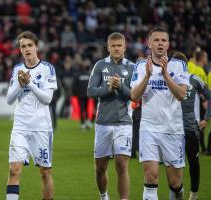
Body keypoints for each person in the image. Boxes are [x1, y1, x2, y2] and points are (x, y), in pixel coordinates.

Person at [130, 27, 189, 200]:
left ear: (168, 44)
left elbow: (181, 94)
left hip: (173, 129)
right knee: (151, 177)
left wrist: (165, 75)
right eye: (156, 40)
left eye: (163, 40)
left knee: (175, 183)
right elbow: (134, 96)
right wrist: (147, 77)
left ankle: (177, 192)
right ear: (149, 44)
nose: (160, 43)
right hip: (149, 128)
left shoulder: (178, 65)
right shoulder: (141, 66)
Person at [6, 31, 57, 200]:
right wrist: (20, 85)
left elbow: (47, 99)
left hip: (41, 127)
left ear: (36, 47)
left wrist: (30, 83)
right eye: (23, 46)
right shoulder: (17, 69)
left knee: (44, 172)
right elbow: (9, 99)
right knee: (14, 169)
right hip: (20, 126)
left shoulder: (47, 69)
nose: (27, 49)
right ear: (20, 50)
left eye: (29, 45)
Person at [87, 32, 134, 200]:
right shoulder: (100, 65)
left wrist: (120, 86)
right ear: (108, 47)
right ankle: (103, 195)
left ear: (124, 47)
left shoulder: (132, 67)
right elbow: (90, 91)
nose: (116, 48)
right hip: (103, 123)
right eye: (113, 45)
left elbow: (135, 95)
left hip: (124, 123)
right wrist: (108, 89)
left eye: (119, 45)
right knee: (100, 168)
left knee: (122, 165)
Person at [171, 51, 211, 200]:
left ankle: (193, 194)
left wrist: (206, 119)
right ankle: (178, 193)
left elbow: (210, 96)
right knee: (173, 167)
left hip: (189, 129)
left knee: (193, 163)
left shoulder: (193, 79)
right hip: (171, 129)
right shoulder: (166, 79)